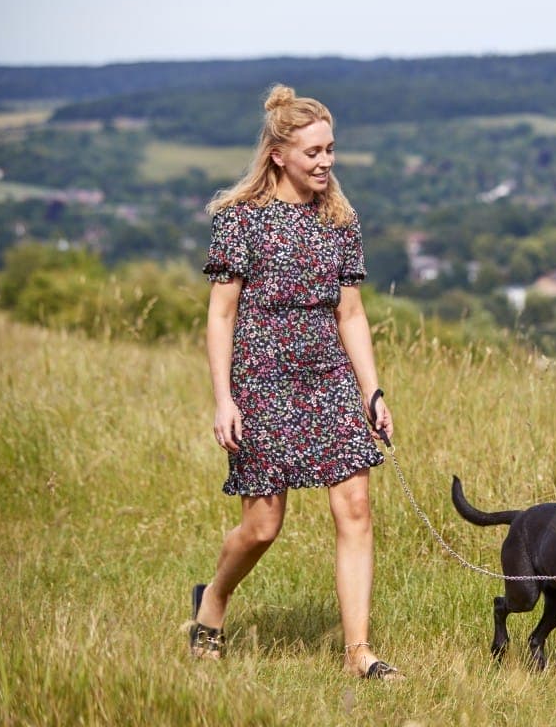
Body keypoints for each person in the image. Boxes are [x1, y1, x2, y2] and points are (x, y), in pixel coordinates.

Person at [190, 83, 400, 680]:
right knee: (263, 525)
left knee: (355, 506)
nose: (326, 161)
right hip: (261, 381)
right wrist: (224, 399)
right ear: (279, 154)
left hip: (328, 377)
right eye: (313, 152)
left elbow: (351, 313)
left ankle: (358, 652)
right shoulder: (241, 221)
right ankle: (214, 601)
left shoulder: (340, 220)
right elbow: (220, 314)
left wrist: (372, 391)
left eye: (331, 149)